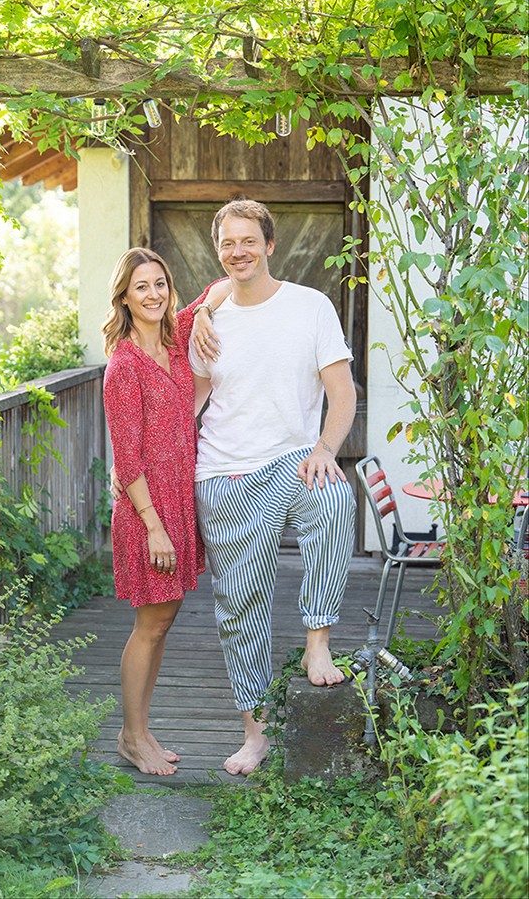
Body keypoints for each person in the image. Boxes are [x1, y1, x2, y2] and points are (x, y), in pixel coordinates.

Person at [188, 199, 357, 776]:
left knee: (334, 498)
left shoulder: (310, 308)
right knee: (241, 606)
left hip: (293, 462)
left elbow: (343, 393)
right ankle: (254, 733)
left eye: (249, 241)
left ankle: (317, 639)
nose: (239, 252)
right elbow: (191, 401)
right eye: (228, 243)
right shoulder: (206, 323)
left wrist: (324, 449)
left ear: (270, 244)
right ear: (219, 252)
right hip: (225, 474)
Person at [102, 247, 228, 776]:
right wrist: (154, 526)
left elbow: (221, 286)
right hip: (145, 511)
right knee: (148, 625)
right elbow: (126, 460)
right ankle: (130, 736)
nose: (153, 294)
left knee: (164, 620)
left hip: (177, 501)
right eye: (141, 287)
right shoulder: (124, 366)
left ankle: (142, 728)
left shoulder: (176, 338)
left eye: (160, 284)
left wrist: (199, 312)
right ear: (125, 299)